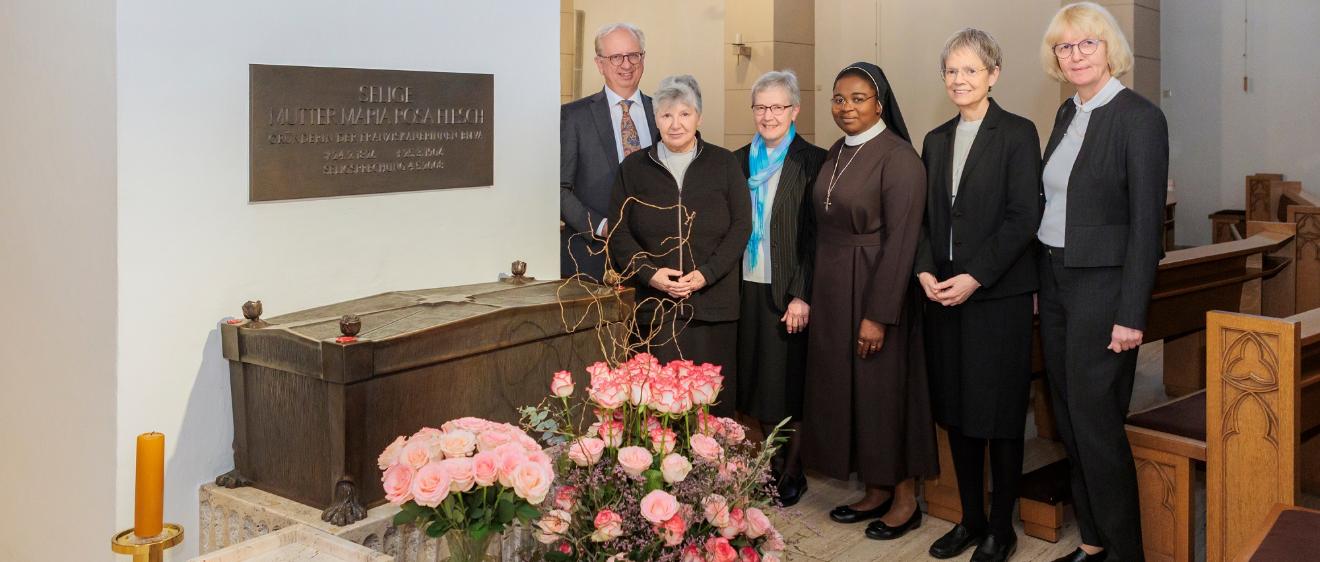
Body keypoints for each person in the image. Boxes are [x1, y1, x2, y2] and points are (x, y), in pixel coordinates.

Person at [1036, 3, 1168, 561]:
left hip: (1104, 287)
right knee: (1067, 418)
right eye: (1065, 47)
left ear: (1109, 48)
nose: (1075, 55)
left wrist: (1132, 313)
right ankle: (1092, 542)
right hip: (1057, 277)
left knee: (1096, 422)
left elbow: (1146, 227)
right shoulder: (1067, 113)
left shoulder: (1138, 117)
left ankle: (1123, 552)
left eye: (1086, 44)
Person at [915, 28, 1043, 562]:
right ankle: (969, 519)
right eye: (951, 70)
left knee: (1000, 413)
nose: (959, 79)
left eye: (970, 69)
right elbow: (923, 218)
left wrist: (976, 276)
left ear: (993, 74)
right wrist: (924, 270)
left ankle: (1001, 527)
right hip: (943, 294)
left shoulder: (1017, 132)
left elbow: (1023, 218)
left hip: (996, 295)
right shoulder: (935, 139)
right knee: (959, 412)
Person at [801, 62, 937, 541]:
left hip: (879, 288)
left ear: (880, 103)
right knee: (851, 393)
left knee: (884, 395)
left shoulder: (900, 158)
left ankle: (904, 499)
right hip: (836, 289)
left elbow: (902, 242)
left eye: (858, 98)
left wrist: (878, 315)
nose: (846, 107)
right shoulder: (837, 151)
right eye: (839, 98)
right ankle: (875, 489)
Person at [608, 75, 752, 417]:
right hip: (656, 310)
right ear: (655, 120)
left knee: (710, 408)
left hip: (713, 307)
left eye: (685, 114)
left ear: (699, 118)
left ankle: (714, 471)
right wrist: (649, 274)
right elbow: (618, 232)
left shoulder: (724, 164)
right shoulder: (634, 168)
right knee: (659, 408)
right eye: (667, 115)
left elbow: (741, 226)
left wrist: (706, 274)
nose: (676, 124)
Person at [732, 70, 827, 507]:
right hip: (744, 286)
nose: (769, 115)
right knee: (756, 381)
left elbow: (816, 237)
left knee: (789, 382)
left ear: (795, 111)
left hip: (787, 290)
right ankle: (765, 465)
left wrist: (802, 293)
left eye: (778, 107)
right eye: (761, 107)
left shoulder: (814, 161)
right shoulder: (735, 162)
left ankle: (792, 470)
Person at [561, 23, 658, 282]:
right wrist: (601, 227)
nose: (626, 64)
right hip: (593, 258)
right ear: (600, 63)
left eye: (633, 55)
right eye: (616, 57)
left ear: (643, 59)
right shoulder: (573, 117)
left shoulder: (662, 113)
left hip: (655, 259)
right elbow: (559, 188)